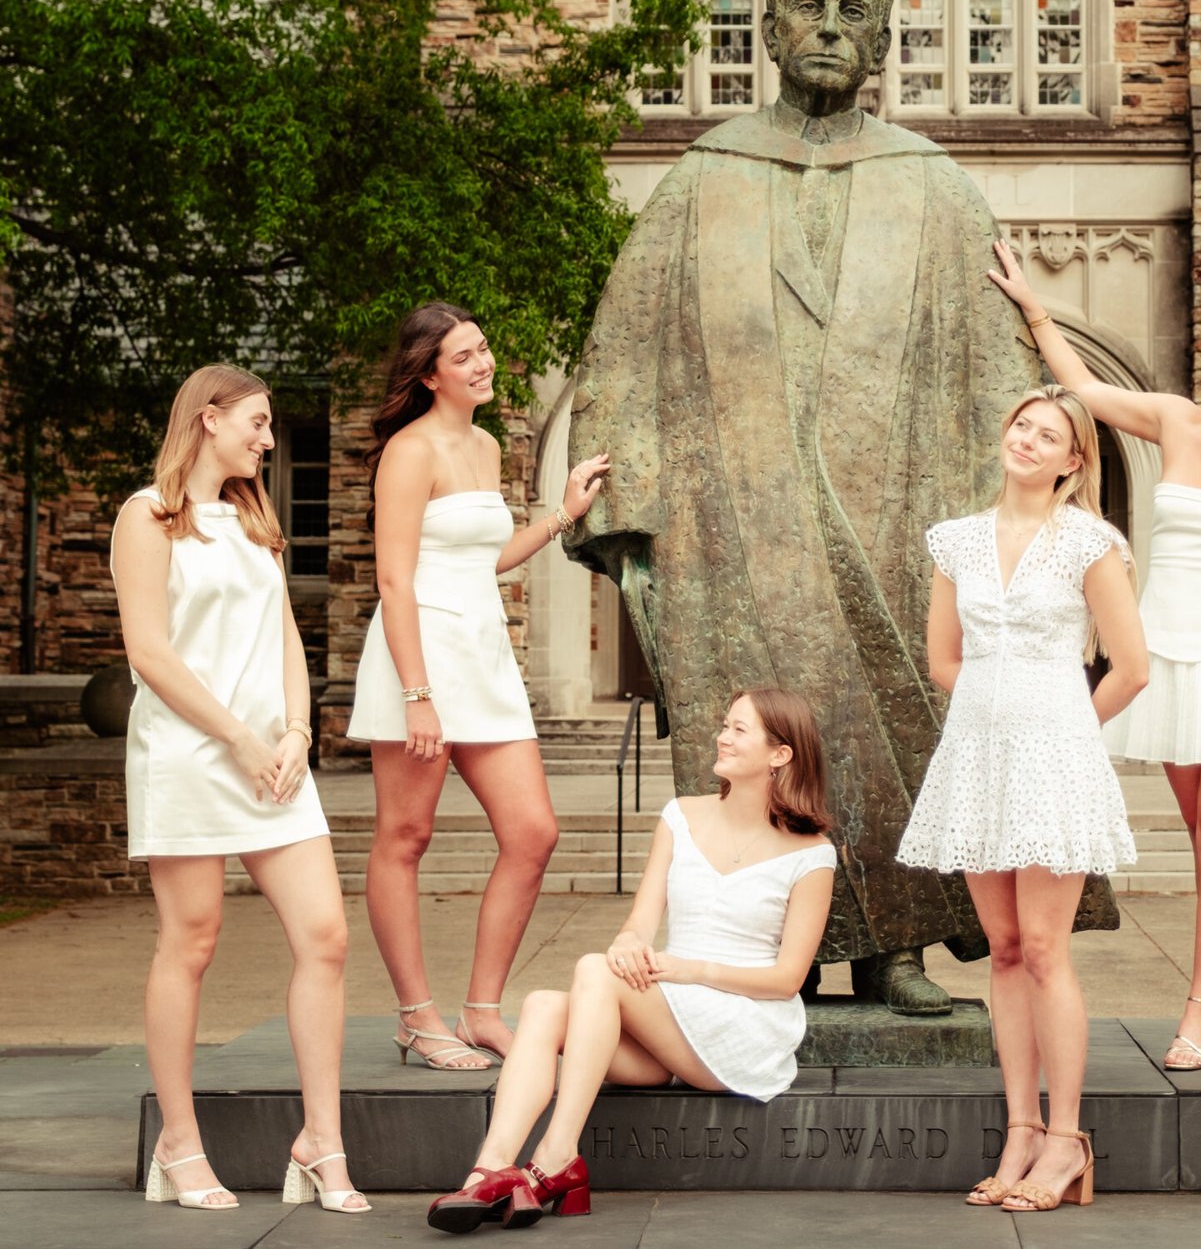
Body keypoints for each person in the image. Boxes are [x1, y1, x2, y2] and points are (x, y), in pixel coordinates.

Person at [565, 0, 1050, 1017]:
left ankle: (894, 948)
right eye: (811, 7)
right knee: (763, 738)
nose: (831, 27)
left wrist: (1016, 531)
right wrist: (621, 510)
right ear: (770, 28)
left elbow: (1000, 377)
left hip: (892, 516)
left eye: (854, 13)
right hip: (738, 530)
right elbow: (622, 354)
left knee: (886, 726)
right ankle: (765, 954)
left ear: (883, 43)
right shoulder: (701, 180)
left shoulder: (936, 189)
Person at [989, 239, 1201, 1071]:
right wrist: (1034, 308)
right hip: (1167, 648)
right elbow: (1084, 389)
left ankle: (1199, 1009)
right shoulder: (1176, 418)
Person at [426, 689, 836, 1231]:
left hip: (740, 1025)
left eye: (739, 730)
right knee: (545, 1005)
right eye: (725, 724)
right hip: (668, 1020)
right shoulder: (681, 816)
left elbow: (786, 979)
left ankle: (557, 1154)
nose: (722, 737)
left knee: (593, 971)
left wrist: (688, 969)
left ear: (780, 754)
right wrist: (627, 941)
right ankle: (490, 1168)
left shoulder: (811, 853)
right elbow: (640, 921)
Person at [112, 366, 368, 1214]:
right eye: (257, 422)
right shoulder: (146, 516)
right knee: (191, 940)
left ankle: (322, 1139)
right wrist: (240, 738)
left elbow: (285, 633)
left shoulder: (256, 520)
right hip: (192, 754)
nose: (267, 437)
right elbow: (149, 652)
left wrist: (296, 731)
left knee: (325, 933)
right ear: (209, 419)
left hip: (273, 759)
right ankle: (179, 1142)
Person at [898, 386, 1148, 1212]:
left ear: (1073, 460)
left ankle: (1067, 1138)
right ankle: (1020, 1129)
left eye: (1049, 435)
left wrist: (1062, 728)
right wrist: (995, 717)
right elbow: (944, 659)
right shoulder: (957, 540)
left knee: (1044, 947)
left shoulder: (1089, 542)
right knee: (1002, 948)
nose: (1029, 441)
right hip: (977, 755)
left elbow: (1131, 667)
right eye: (1022, 426)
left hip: (1054, 757)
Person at [349, 303, 609, 1069]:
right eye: (463, 355)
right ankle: (417, 1016)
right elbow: (395, 578)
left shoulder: (488, 443)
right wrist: (417, 693)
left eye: (483, 347)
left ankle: (482, 1010)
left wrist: (562, 513)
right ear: (429, 374)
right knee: (406, 836)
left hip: (483, 655)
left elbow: (482, 558)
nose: (483, 362)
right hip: (419, 654)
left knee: (533, 832)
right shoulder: (409, 450)